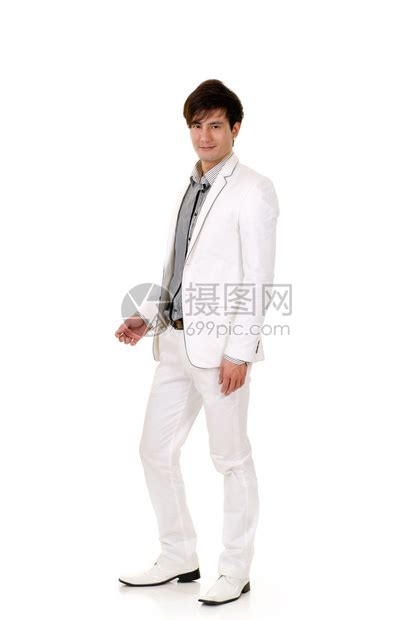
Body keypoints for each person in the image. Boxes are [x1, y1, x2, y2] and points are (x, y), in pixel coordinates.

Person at [115, 79, 280, 605]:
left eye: (215, 125)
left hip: (221, 354)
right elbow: (182, 269)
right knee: (154, 450)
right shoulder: (190, 185)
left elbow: (258, 278)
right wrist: (148, 315)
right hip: (174, 346)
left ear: (235, 128)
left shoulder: (253, 188)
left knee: (230, 459)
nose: (204, 135)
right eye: (196, 125)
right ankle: (179, 555)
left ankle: (235, 569)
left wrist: (240, 351)